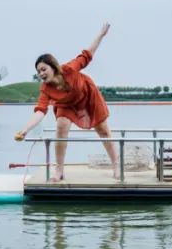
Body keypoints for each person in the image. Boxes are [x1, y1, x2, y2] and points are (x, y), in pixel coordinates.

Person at [15, 23, 119, 181]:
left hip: (88, 96)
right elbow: (40, 111)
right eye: (38, 72)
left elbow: (87, 54)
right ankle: (59, 171)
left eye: (43, 69)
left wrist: (101, 34)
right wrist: (25, 130)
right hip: (66, 104)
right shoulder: (46, 89)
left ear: (53, 67)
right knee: (61, 126)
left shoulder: (69, 69)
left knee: (103, 130)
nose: (41, 74)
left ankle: (116, 165)